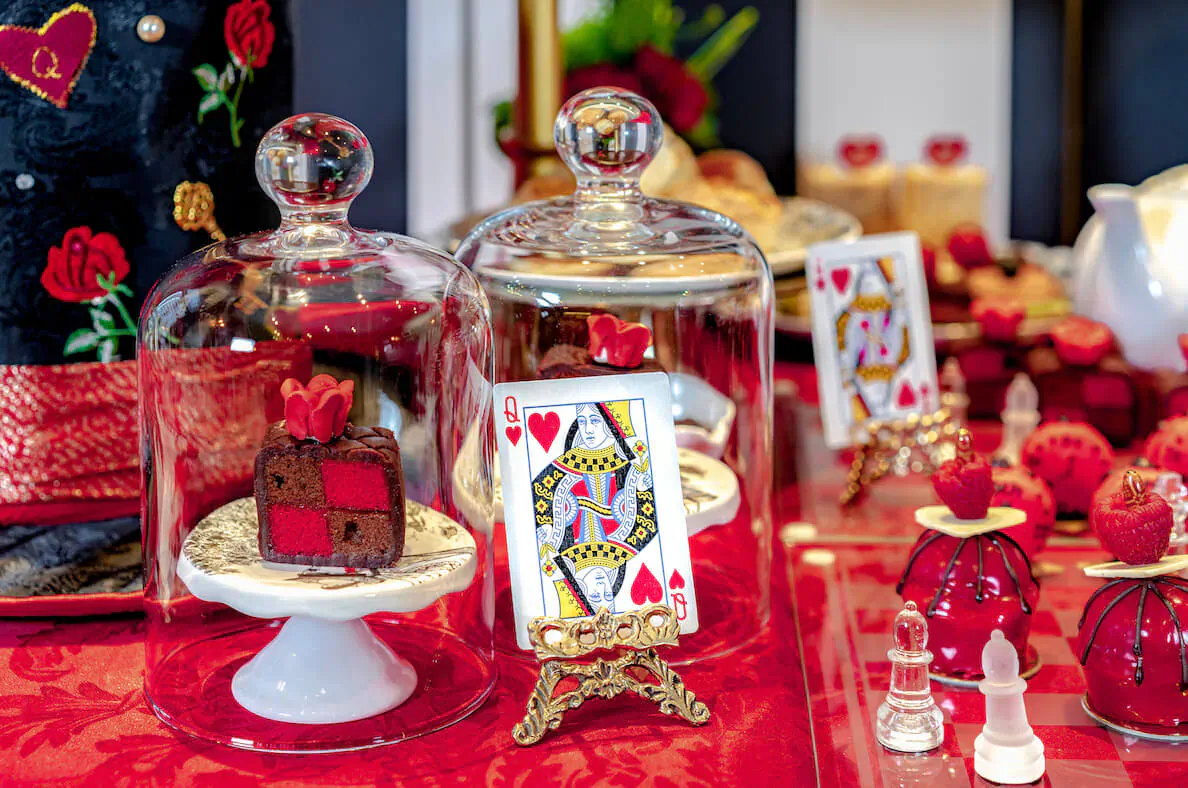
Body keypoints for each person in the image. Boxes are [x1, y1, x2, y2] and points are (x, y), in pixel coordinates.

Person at [533, 401, 658, 616]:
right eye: (608, 594)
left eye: (595, 595)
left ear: (581, 588)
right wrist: (644, 487)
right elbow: (649, 520)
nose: (588, 429)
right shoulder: (630, 544)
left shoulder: (558, 553)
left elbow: (539, 496)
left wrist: (544, 527)